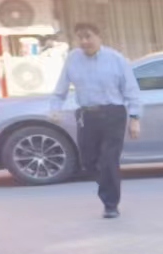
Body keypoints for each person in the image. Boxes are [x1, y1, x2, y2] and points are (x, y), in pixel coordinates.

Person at [47, 23, 141, 219]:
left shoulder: (116, 59)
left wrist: (135, 118)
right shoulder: (73, 59)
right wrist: (55, 109)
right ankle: (107, 185)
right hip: (87, 116)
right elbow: (61, 87)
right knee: (88, 161)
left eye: (88, 36)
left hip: (112, 114)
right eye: (80, 38)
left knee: (109, 159)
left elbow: (131, 89)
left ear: (98, 37)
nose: (84, 41)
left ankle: (110, 204)